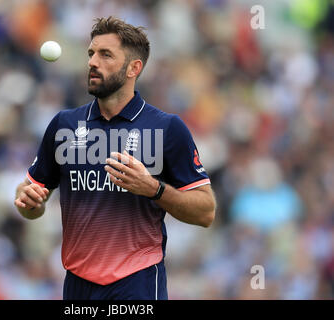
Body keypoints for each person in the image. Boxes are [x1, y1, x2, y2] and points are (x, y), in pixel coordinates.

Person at [14, 16, 216, 300]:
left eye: (105, 55)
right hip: (78, 284)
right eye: (91, 54)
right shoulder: (64, 125)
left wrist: (154, 189)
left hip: (137, 282)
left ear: (134, 68)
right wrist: (29, 201)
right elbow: (30, 199)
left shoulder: (167, 128)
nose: (92, 62)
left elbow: (205, 212)